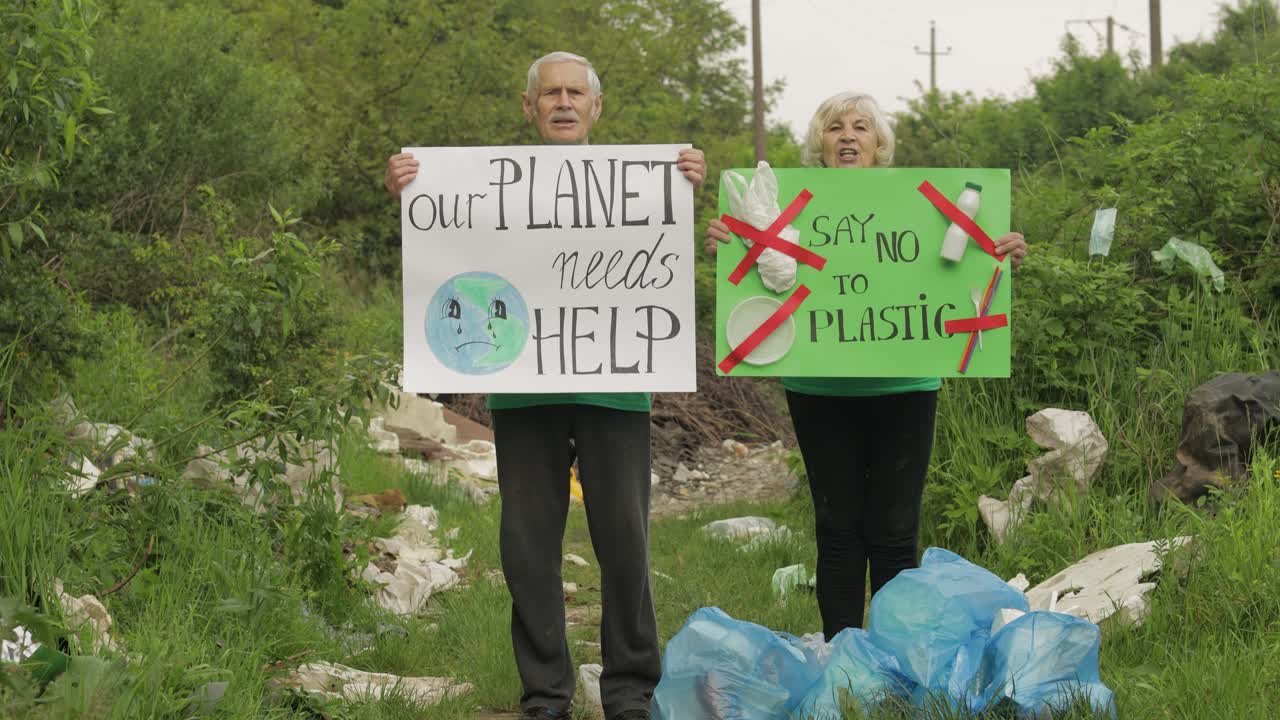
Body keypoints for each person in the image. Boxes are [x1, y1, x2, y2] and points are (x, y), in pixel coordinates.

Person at [385, 51, 706, 720]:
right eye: (550, 93)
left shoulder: (644, 182)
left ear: (596, 108)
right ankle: (544, 696)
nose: (563, 102)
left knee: (624, 539)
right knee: (528, 545)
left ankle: (630, 692)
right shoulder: (480, 185)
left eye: (575, 93)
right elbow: (444, 246)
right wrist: (412, 190)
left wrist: (687, 185)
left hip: (615, 386)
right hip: (523, 389)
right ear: (529, 108)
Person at [706, 91, 1027, 641]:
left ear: (880, 145)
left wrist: (1001, 248)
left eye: (860, 127)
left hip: (905, 382)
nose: (847, 136)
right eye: (834, 128)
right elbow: (765, 272)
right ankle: (844, 660)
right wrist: (730, 246)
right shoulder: (793, 207)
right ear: (821, 145)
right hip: (819, 385)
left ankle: (894, 658)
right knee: (836, 528)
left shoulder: (920, 208)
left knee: (895, 530)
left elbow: (961, 268)